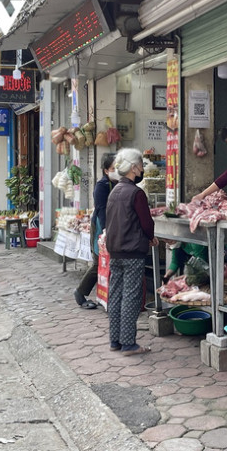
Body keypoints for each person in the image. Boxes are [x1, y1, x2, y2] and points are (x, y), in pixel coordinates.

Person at [105, 148, 158, 356]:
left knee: (115, 295)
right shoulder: (136, 193)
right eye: (141, 165)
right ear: (134, 167)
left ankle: (115, 341)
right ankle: (128, 343)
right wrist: (151, 237)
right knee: (131, 296)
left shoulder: (115, 191)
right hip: (132, 251)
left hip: (115, 249)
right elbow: (146, 222)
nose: (142, 168)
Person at [73, 153, 119, 309]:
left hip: (112, 225)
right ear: (106, 170)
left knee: (106, 262)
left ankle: (105, 295)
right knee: (99, 261)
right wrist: (106, 231)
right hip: (101, 225)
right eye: (114, 168)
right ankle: (80, 292)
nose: (117, 170)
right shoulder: (102, 186)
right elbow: (101, 209)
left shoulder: (117, 183)